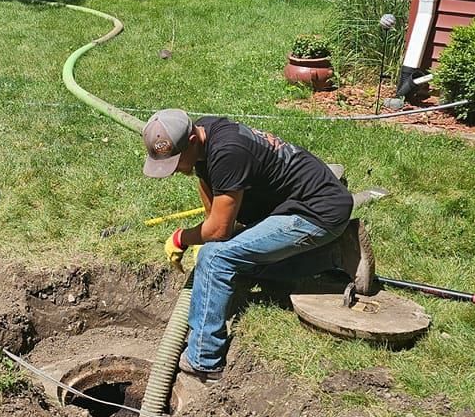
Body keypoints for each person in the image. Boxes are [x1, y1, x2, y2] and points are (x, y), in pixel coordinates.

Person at [142, 108, 375, 382]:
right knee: (233, 259)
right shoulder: (206, 134)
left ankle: (204, 359)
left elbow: (218, 230)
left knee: (216, 259)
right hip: (296, 203)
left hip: (316, 211)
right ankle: (336, 254)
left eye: (175, 162)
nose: (173, 171)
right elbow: (207, 181)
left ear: (193, 141)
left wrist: (184, 237)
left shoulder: (228, 152)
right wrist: (209, 229)